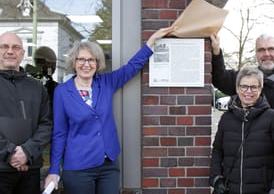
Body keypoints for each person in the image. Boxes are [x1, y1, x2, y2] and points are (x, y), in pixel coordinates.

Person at [44, 26, 175, 194]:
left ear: (97, 64)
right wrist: (54, 170)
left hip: (108, 166)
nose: (86, 64)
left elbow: (132, 67)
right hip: (78, 168)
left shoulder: (106, 83)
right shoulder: (62, 92)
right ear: (73, 62)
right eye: (81, 59)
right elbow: (60, 133)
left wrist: (152, 41)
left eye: (91, 60)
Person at [210, 66, 274, 194]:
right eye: (244, 86)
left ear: (260, 89)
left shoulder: (273, 118)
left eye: (254, 87)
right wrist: (216, 178)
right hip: (230, 189)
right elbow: (217, 151)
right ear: (237, 88)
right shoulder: (227, 118)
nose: (248, 91)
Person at [0, 32, 52, 194]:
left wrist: (27, 151)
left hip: (30, 170)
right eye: (4, 46)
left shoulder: (37, 87)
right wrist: (10, 153)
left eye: (16, 47)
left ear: (23, 54)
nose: (10, 51)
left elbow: (46, 124)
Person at [210, 34, 274, 119]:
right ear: (256, 53)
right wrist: (216, 51)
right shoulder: (246, 77)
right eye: (261, 50)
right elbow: (220, 79)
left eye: (271, 49)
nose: (266, 54)